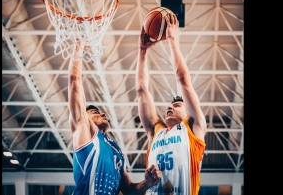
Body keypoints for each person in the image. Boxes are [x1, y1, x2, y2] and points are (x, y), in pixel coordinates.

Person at [68, 40, 162, 195]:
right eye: (95, 112)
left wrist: (147, 183)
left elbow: (128, 190)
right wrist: (78, 48)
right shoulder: (84, 128)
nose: (103, 114)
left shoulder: (117, 151)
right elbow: (74, 82)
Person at [135, 13, 207, 195]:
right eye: (170, 105)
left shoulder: (193, 128)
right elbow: (141, 90)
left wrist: (172, 39)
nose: (170, 107)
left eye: (176, 105)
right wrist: (142, 51)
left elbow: (183, 80)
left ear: (188, 112)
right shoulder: (156, 131)